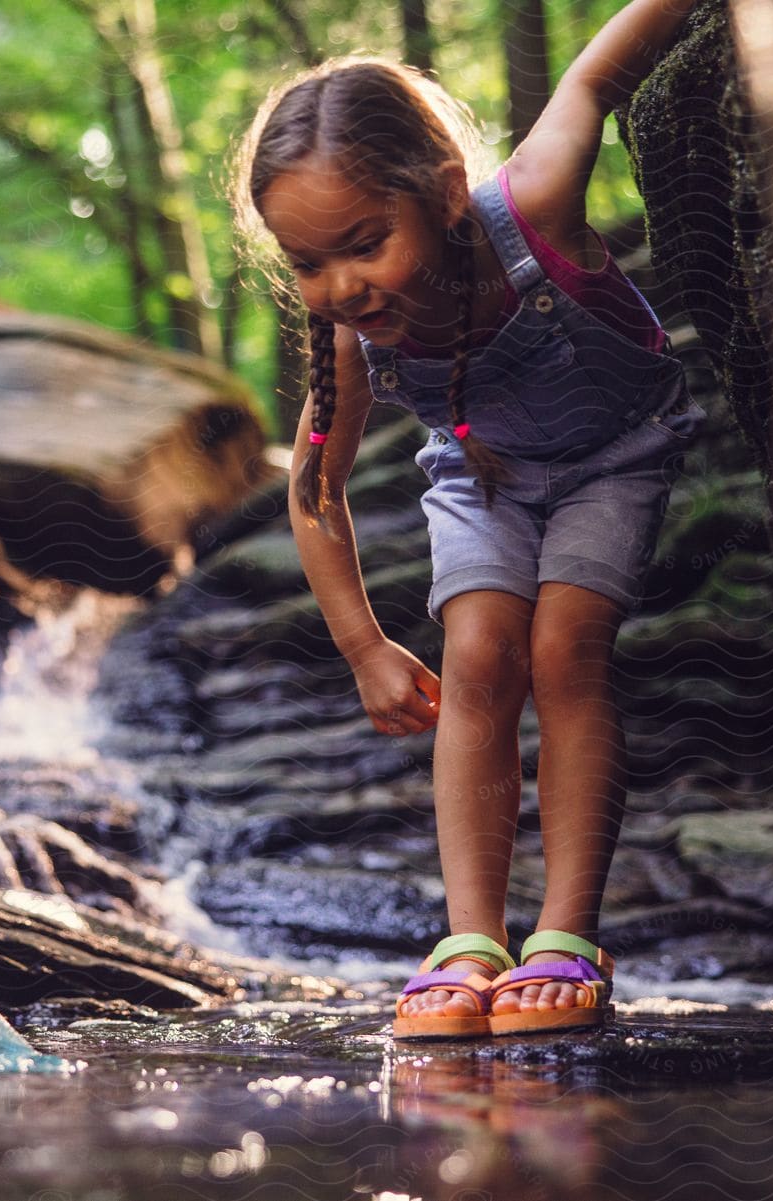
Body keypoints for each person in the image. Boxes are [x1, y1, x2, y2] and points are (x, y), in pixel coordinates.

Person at [232, 0, 702, 1038]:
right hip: (479, 474)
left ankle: (567, 931)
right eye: (308, 263)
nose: (340, 286)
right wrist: (362, 645)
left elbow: (587, 80)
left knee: (565, 646)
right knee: (480, 652)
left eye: (363, 245)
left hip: (615, 454)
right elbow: (313, 491)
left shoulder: (531, 203)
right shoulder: (349, 346)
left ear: (442, 192)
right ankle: (472, 938)